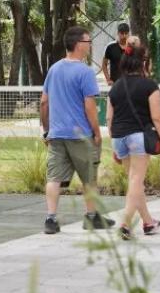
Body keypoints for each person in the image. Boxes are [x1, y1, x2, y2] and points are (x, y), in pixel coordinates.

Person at [40, 26, 115, 234]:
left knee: (54, 178)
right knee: (89, 177)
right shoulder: (85, 72)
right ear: (78, 45)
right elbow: (89, 106)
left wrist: (46, 130)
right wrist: (97, 132)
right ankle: (91, 217)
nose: (90, 45)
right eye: (88, 42)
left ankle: (51, 219)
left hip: (56, 135)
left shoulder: (53, 70)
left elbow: (44, 102)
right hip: (80, 135)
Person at [106, 43, 160, 240]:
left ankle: (148, 222)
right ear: (144, 63)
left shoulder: (115, 87)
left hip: (118, 137)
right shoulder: (149, 86)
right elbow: (157, 118)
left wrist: (114, 145)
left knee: (135, 183)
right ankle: (125, 224)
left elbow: (109, 118)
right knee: (136, 181)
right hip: (138, 137)